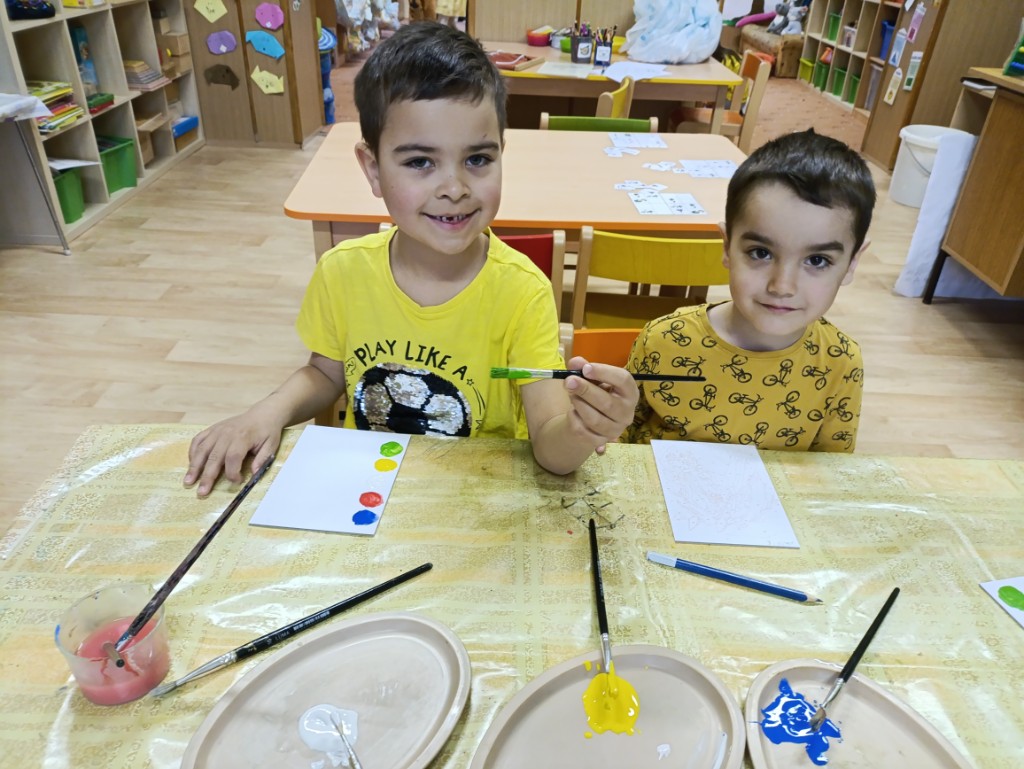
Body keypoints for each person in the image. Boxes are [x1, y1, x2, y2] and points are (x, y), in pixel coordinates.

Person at [184, 22, 638, 497]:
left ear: (501, 155)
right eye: (420, 162)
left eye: (478, 159)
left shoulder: (523, 291)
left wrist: (583, 429)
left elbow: (550, 446)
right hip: (365, 490)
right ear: (372, 169)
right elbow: (324, 373)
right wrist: (266, 412)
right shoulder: (343, 270)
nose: (454, 188)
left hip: (475, 499)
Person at [624, 129, 875, 452]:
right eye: (761, 253)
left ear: (852, 263)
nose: (782, 286)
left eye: (817, 260)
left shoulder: (840, 361)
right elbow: (618, 438)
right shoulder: (664, 339)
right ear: (727, 247)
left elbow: (830, 469)